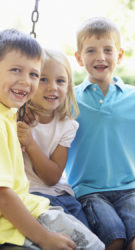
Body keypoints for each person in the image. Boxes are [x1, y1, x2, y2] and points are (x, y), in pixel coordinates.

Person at [65, 17, 135, 250]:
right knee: (114, 237)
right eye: (91, 50)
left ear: (119, 56)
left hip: (132, 189)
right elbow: (42, 114)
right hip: (88, 191)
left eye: (107, 50)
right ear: (79, 58)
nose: (100, 57)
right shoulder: (68, 100)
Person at [0, 28, 104, 250]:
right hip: (20, 214)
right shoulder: (8, 120)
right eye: (16, 70)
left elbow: (52, 176)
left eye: (33, 74)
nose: (26, 81)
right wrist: (45, 238)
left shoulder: (9, 115)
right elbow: (3, 196)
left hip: (38, 203)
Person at [17, 49, 89, 228]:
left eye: (60, 81)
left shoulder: (67, 126)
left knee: (87, 238)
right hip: (29, 196)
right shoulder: (15, 116)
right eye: (43, 79)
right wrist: (18, 109)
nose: (52, 87)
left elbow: (52, 177)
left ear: (68, 86)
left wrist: (31, 144)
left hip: (61, 195)